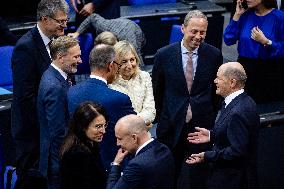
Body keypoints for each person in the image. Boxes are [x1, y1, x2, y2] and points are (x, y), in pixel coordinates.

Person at [152, 10, 223, 189]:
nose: (198, 36)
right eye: (194, 31)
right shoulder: (164, 55)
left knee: (199, 177)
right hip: (170, 125)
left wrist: (210, 117)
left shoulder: (214, 55)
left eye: (203, 32)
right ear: (183, 29)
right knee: (168, 175)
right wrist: (163, 117)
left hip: (201, 126)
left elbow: (216, 92)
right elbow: (157, 91)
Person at [11, 0, 69, 188]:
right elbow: (25, 97)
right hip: (33, 132)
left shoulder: (59, 41)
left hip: (54, 125)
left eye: (66, 21)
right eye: (60, 22)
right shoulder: (25, 47)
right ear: (45, 19)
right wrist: (48, 122)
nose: (65, 25)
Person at [186, 62, 260, 189]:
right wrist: (212, 135)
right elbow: (234, 133)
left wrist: (207, 156)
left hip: (232, 180)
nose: (215, 81)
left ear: (232, 82)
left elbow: (237, 151)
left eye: (219, 78)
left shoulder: (238, 111)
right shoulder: (243, 101)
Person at [67, 44, 136, 170]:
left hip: (77, 166)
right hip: (110, 167)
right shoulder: (120, 99)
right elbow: (135, 132)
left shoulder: (71, 92)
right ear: (111, 65)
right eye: (117, 65)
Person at [37, 36, 81, 189]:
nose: (80, 61)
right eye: (76, 57)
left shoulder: (59, 75)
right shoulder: (54, 86)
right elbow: (58, 132)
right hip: (59, 162)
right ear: (61, 58)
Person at [224, 0, 284, 104]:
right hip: (244, 69)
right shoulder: (244, 15)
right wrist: (237, 14)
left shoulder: (279, 17)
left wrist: (267, 42)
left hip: (269, 71)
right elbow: (228, 39)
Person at [107, 114, 175, 189]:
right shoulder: (165, 150)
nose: (117, 143)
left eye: (120, 139)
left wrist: (116, 164)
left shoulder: (136, 165)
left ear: (134, 138)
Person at [61, 101, 108, 189]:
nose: (103, 131)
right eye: (98, 126)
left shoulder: (90, 145)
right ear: (83, 126)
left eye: (104, 125)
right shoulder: (78, 155)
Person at [109, 40, 156, 126]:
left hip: (143, 132)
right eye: (124, 62)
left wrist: (137, 124)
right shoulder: (110, 84)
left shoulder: (144, 77)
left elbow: (151, 111)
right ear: (115, 64)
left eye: (132, 60)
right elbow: (119, 119)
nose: (129, 65)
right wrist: (143, 124)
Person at [67, 13, 145, 64]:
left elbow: (138, 59)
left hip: (136, 32)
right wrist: (77, 33)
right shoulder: (102, 26)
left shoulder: (130, 43)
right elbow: (92, 17)